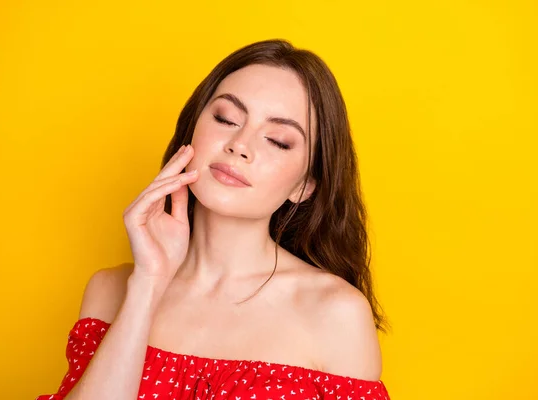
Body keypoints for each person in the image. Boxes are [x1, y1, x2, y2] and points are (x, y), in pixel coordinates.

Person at [36, 39, 391, 400]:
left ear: (304, 186)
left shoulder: (336, 314)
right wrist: (147, 284)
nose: (239, 144)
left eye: (278, 140)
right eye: (226, 119)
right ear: (191, 132)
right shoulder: (111, 291)